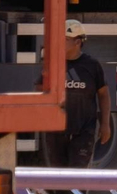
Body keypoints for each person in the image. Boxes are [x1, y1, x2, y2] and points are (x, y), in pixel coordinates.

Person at [41, 19, 111, 168]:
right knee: (58, 177)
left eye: (65, 39)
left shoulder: (92, 66)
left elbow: (104, 95)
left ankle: (77, 193)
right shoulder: (53, 64)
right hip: (56, 131)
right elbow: (40, 89)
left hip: (84, 131)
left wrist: (105, 124)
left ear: (77, 42)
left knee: (78, 177)